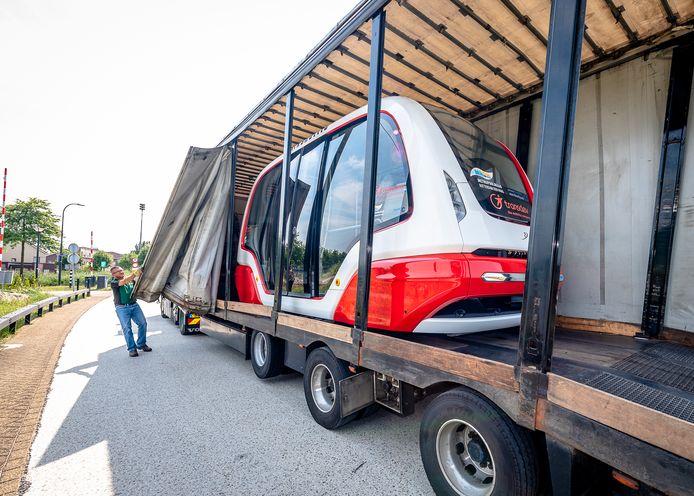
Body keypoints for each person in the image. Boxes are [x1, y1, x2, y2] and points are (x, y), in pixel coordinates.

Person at [110, 265, 151, 357]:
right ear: (113, 275)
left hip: (134, 305)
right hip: (122, 308)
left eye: (122, 270)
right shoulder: (114, 282)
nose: (121, 272)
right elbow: (123, 282)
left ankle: (141, 344)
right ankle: (132, 349)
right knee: (127, 328)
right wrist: (135, 273)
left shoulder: (130, 281)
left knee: (143, 323)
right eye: (118, 271)